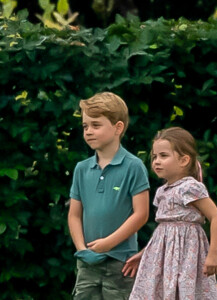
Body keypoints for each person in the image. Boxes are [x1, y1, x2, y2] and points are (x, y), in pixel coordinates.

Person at [123, 126, 217, 299]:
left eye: (163, 156)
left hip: (187, 255)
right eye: (154, 157)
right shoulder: (162, 191)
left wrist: (213, 254)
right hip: (162, 259)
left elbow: (216, 218)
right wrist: (145, 253)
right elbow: (163, 233)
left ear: (184, 160)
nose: (156, 161)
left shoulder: (191, 187)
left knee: (184, 290)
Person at [68, 92, 150, 300]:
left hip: (121, 263)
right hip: (86, 263)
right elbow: (75, 215)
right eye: (85, 126)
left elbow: (141, 214)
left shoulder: (134, 166)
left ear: (118, 128)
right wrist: (82, 249)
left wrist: (109, 243)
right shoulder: (81, 169)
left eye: (96, 125)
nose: (88, 131)